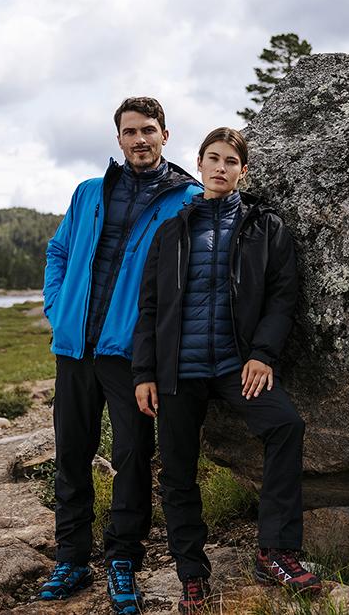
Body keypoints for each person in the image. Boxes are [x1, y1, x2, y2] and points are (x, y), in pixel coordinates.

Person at [132, 127, 321, 613]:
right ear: (198, 165)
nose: (220, 168)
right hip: (178, 371)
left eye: (230, 161)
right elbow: (149, 307)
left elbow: (283, 298)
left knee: (285, 426)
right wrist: (143, 372)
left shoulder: (265, 228)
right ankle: (191, 573)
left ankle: (274, 551)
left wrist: (262, 354)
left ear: (242, 170)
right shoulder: (171, 230)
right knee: (177, 472)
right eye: (212, 159)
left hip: (236, 367)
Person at [38, 97, 203, 614]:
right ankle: (70, 558)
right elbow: (59, 251)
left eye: (148, 130)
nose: (139, 140)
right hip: (74, 346)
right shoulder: (88, 193)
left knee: (132, 457)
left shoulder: (187, 200)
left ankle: (123, 560)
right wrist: (57, 306)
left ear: (166, 135)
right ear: (118, 139)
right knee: (71, 453)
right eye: (130, 132)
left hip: (131, 354)